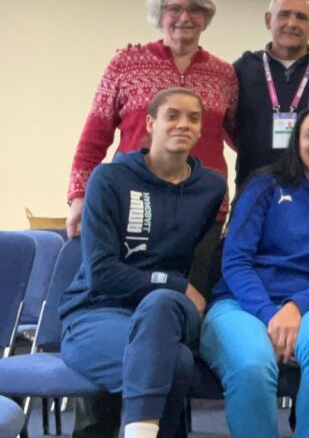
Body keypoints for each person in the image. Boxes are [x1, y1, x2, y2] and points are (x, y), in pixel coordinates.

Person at [60, 89, 227, 438]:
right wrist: (175, 284)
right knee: (174, 362)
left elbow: (203, 258)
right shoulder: (109, 179)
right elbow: (101, 273)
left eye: (193, 118)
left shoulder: (211, 188)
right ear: (151, 123)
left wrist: (176, 291)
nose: (183, 124)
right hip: (98, 311)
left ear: (201, 130)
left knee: (162, 307)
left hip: (168, 313)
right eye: (172, 115)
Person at [200, 106, 309, 438]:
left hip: (305, 308)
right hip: (239, 305)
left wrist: (295, 307)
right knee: (252, 363)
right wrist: (269, 315)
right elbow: (235, 260)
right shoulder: (264, 186)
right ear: (297, 141)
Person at [67, 0, 237, 237]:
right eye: (174, 9)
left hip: (203, 205)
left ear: (206, 17)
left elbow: (241, 137)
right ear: (160, 14)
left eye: (195, 9)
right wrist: (79, 196)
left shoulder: (224, 74)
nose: (185, 17)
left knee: (198, 266)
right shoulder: (126, 63)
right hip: (133, 200)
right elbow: (94, 137)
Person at [232, 0, 309, 193]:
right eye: (284, 15)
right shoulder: (244, 67)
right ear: (268, 20)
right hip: (252, 186)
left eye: (301, 17)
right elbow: (229, 125)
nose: (292, 23)